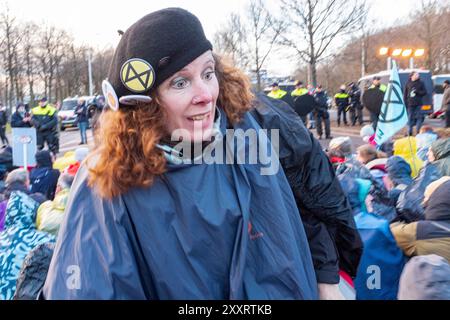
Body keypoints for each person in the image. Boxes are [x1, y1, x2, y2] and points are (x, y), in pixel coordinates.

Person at [42, 8, 363, 300]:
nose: (206, 95)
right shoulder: (111, 179)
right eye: (180, 82)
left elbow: (306, 203)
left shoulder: (254, 128)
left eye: (208, 74)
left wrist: (326, 277)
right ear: (144, 106)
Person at [391, 177, 450, 262]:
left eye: (426, 198)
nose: (422, 204)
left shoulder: (421, 230)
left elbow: (387, 233)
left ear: (436, 200)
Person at [403, 71, 427, 136]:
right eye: (416, 74)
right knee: (410, 118)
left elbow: (425, 92)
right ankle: (409, 132)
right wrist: (405, 103)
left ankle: (418, 132)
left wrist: (418, 92)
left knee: (419, 118)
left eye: (418, 74)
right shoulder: (408, 83)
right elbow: (405, 94)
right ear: (412, 76)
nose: (418, 75)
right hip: (410, 104)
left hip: (418, 104)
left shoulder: (421, 83)